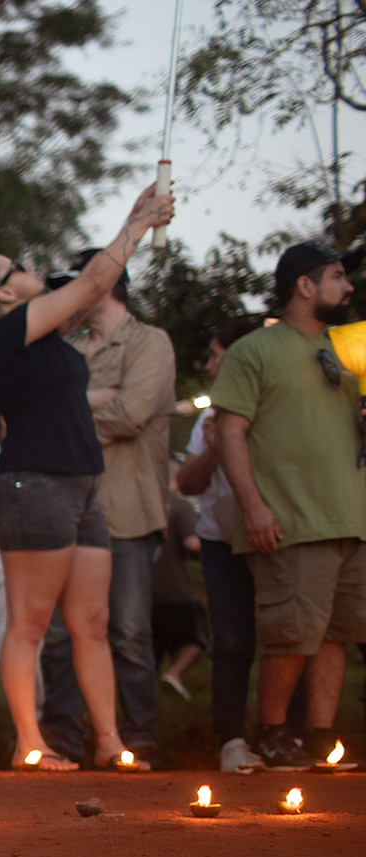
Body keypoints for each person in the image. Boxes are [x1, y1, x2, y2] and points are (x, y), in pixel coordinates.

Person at [0, 184, 172, 773]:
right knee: (31, 622)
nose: (32, 270)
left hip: (80, 488)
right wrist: (137, 221)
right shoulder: (11, 331)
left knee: (92, 623)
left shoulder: (45, 337)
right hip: (34, 488)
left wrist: (137, 222)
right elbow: (95, 281)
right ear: (5, 293)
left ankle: (109, 741)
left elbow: (95, 291)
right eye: (18, 268)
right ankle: (30, 743)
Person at [210, 241, 364, 769]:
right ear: (304, 285)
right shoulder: (254, 350)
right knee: (291, 635)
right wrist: (253, 507)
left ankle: (319, 737)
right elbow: (229, 433)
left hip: (352, 518)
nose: (347, 287)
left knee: (336, 634)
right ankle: (273, 733)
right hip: (291, 520)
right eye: (337, 276)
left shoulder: (352, 350)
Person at [34, 250, 176, 767]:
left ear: (106, 283)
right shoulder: (67, 347)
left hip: (128, 508)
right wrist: (92, 401)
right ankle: (64, 739)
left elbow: (131, 414)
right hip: (67, 510)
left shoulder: (150, 342)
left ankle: (137, 740)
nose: (70, 294)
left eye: (81, 282)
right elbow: (31, 413)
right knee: (58, 633)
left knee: (129, 631)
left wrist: (67, 413)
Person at [175, 316, 269, 771]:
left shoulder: (275, 408)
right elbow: (187, 483)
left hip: (276, 538)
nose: (210, 367)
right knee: (230, 640)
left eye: (216, 357)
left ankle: (283, 735)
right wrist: (215, 446)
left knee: (290, 638)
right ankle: (231, 740)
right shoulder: (208, 418)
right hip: (221, 541)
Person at [153, 468, 205, 698]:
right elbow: (192, 543)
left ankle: (145, 702)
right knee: (195, 641)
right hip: (177, 592)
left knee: (148, 650)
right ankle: (174, 673)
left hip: (142, 593)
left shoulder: (145, 505)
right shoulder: (179, 505)